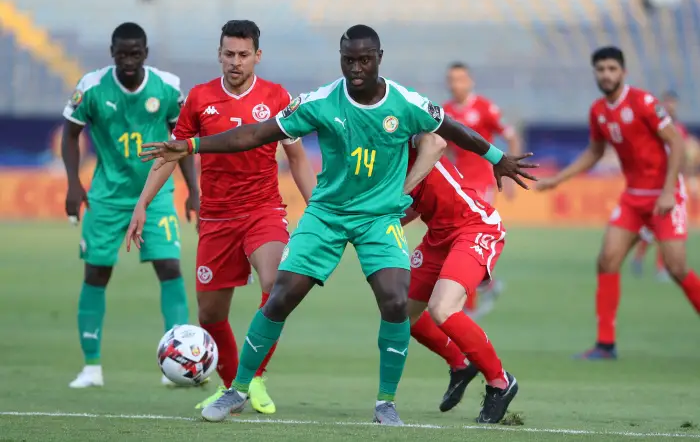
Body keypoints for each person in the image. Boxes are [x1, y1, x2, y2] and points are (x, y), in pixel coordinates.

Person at [133, 24, 536, 425]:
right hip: (326, 214)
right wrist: (191, 144)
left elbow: (450, 129)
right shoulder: (320, 101)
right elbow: (254, 134)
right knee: (281, 296)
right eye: (348, 60)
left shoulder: (405, 102)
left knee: (396, 301)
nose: (356, 67)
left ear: (379, 58)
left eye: (364, 59)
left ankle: (385, 404)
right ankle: (238, 388)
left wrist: (497, 157)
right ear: (340, 60)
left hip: (378, 219)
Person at [125, 20, 316, 414]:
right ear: (219, 54)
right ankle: (234, 388)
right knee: (211, 314)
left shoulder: (277, 97)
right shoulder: (199, 98)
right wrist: (141, 203)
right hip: (216, 218)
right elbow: (172, 154)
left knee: (275, 283)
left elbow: (297, 158)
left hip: (263, 210)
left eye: (243, 54)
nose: (235, 61)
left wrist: (316, 214)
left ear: (257, 56)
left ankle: (254, 378)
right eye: (228, 54)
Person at [536, 47, 700, 359]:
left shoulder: (644, 102)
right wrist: (559, 178)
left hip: (666, 195)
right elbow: (594, 152)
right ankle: (605, 344)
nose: (606, 74)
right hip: (633, 197)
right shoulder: (598, 110)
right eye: (601, 69)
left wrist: (668, 191)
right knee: (606, 260)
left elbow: (676, 142)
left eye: (612, 68)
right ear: (595, 73)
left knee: (677, 268)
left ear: (623, 72)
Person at [62, 22, 198, 388]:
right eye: (121, 53)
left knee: (169, 267)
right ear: (112, 53)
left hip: (156, 195)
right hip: (107, 197)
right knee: (96, 273)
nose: (128, 60)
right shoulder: (91, 87)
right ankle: (91, 367)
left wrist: (194, 190)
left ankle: (178, 364)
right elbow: (70, 132)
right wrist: (74, 184)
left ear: (145, 53)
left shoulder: (167, 87)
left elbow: (182, 141)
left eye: (135, 53)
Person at [402, 133, 520, 422]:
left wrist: (396, 195)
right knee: (401, 316)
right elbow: (416, 204)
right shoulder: (377, 157)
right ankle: (460, 363)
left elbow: (438, 143)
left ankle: (500, 382)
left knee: (442, 308)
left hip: (474, 227)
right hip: (438, 236)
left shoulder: (409, 133)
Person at [441, 62, 522, 318]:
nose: (457, 84)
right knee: (458, 240)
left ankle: (469, 307)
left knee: (463, 238)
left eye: (461, 79)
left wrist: (510, 175)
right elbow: (442, 146)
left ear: (470, 81)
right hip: (460, 183)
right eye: (452, 79)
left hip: (483, 182)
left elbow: (510, 135)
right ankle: (488, 283)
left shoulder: (485, 108)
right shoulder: (445, 111)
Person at [631, 90, 698, 281]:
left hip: (674, 183)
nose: (671, 105)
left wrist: (689, 178)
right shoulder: (653, 126)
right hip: (656, 182)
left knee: (665, 226)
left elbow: (683, 157)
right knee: (654, 227)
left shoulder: (680, 130)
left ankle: (660, 267)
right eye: (668, 102)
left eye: (674, 102)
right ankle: (642, 256)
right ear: (662, 103)